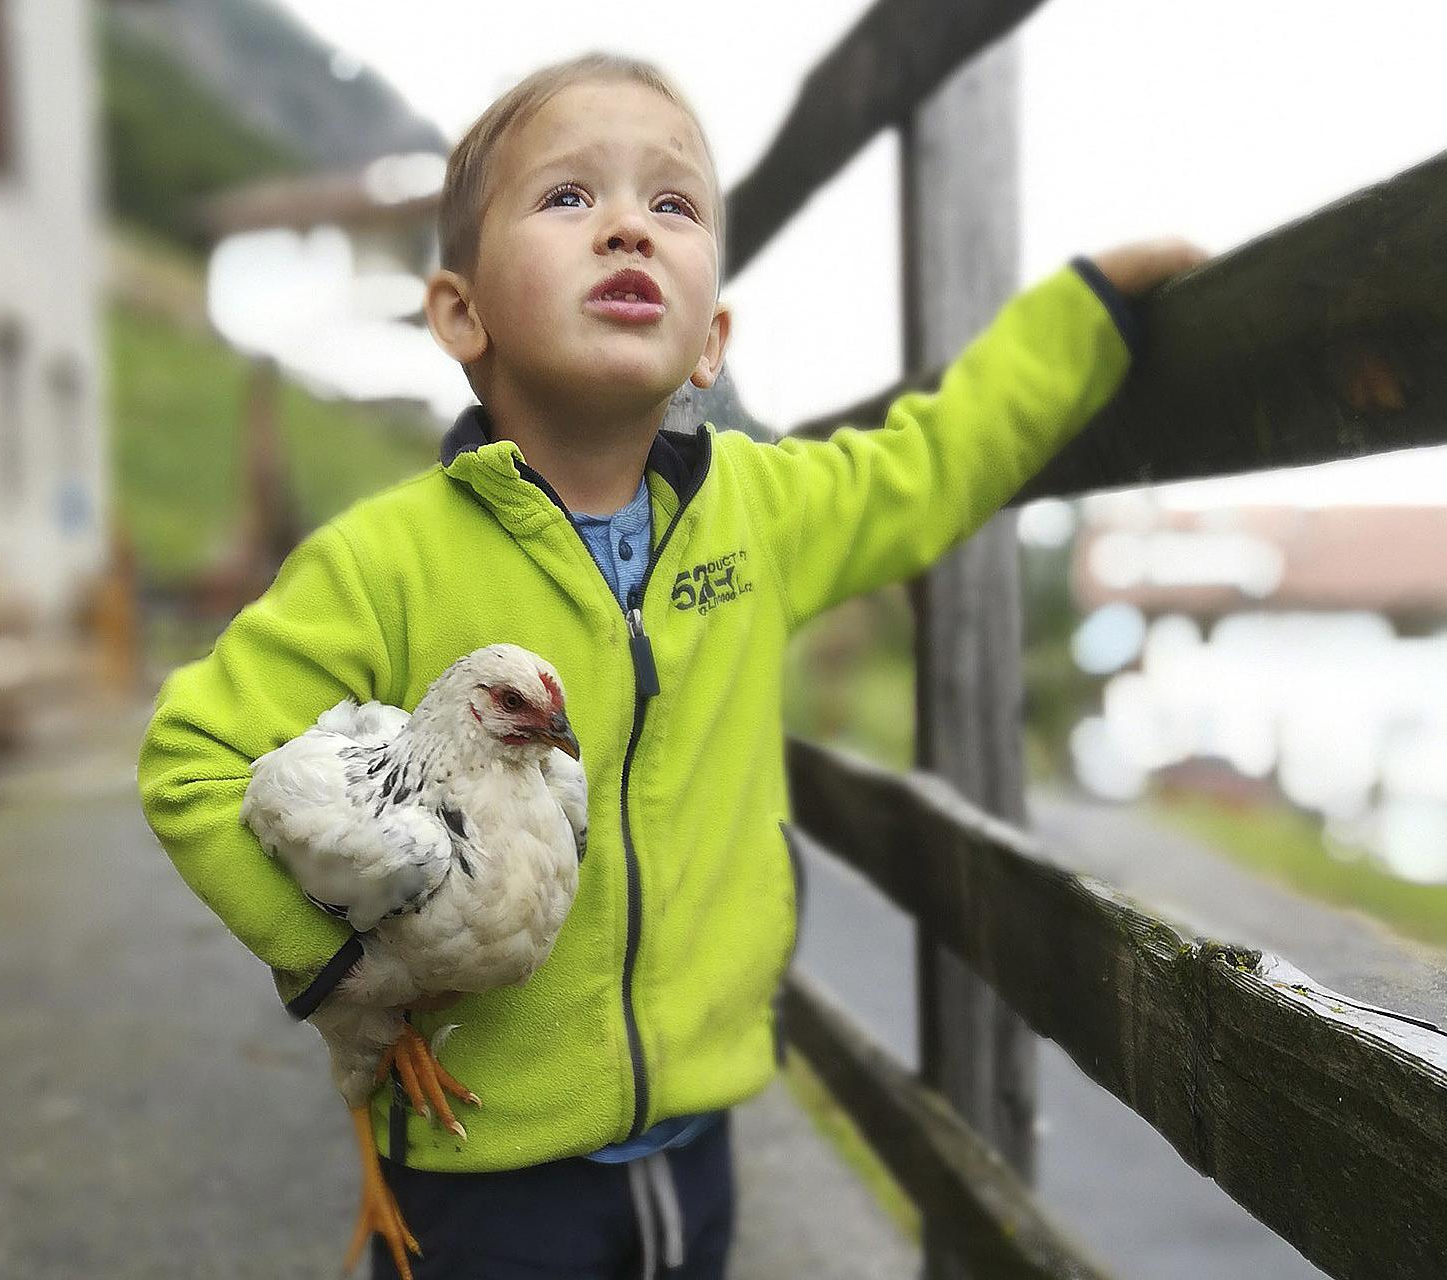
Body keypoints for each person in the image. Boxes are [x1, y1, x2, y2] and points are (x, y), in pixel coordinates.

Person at [139, 51, 1205, 1280]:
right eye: (569, 198)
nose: (629, 226)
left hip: (697, 1146)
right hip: (474, 1169)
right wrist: (334, 961)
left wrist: (1091, 309)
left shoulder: (768, 512)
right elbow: (189, 760)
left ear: (712, 340)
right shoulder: (382, 562)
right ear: (461, 314)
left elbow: (945, 455)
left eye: (674, 204)